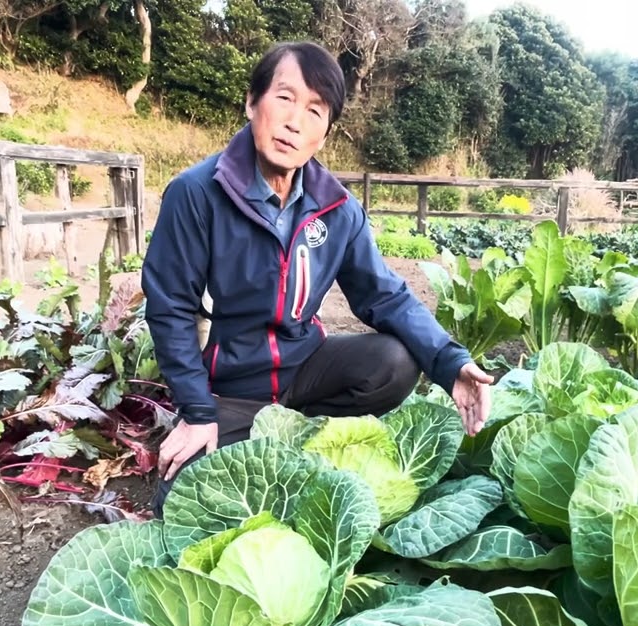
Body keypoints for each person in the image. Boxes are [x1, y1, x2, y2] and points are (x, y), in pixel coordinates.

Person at [140, 40, 492, 511]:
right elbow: (170, 308)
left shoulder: (337, 208)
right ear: (252, 102)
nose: (294, 121)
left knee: (395, 361)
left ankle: (300, 431)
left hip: (305, 370)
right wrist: (198, 413)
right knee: (179, 499)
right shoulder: (197, 193)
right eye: (284, 98)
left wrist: (450, 364)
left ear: (324, 134)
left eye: (315, 110)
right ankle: (254, 433)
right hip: (232, 388)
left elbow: (384, 296)